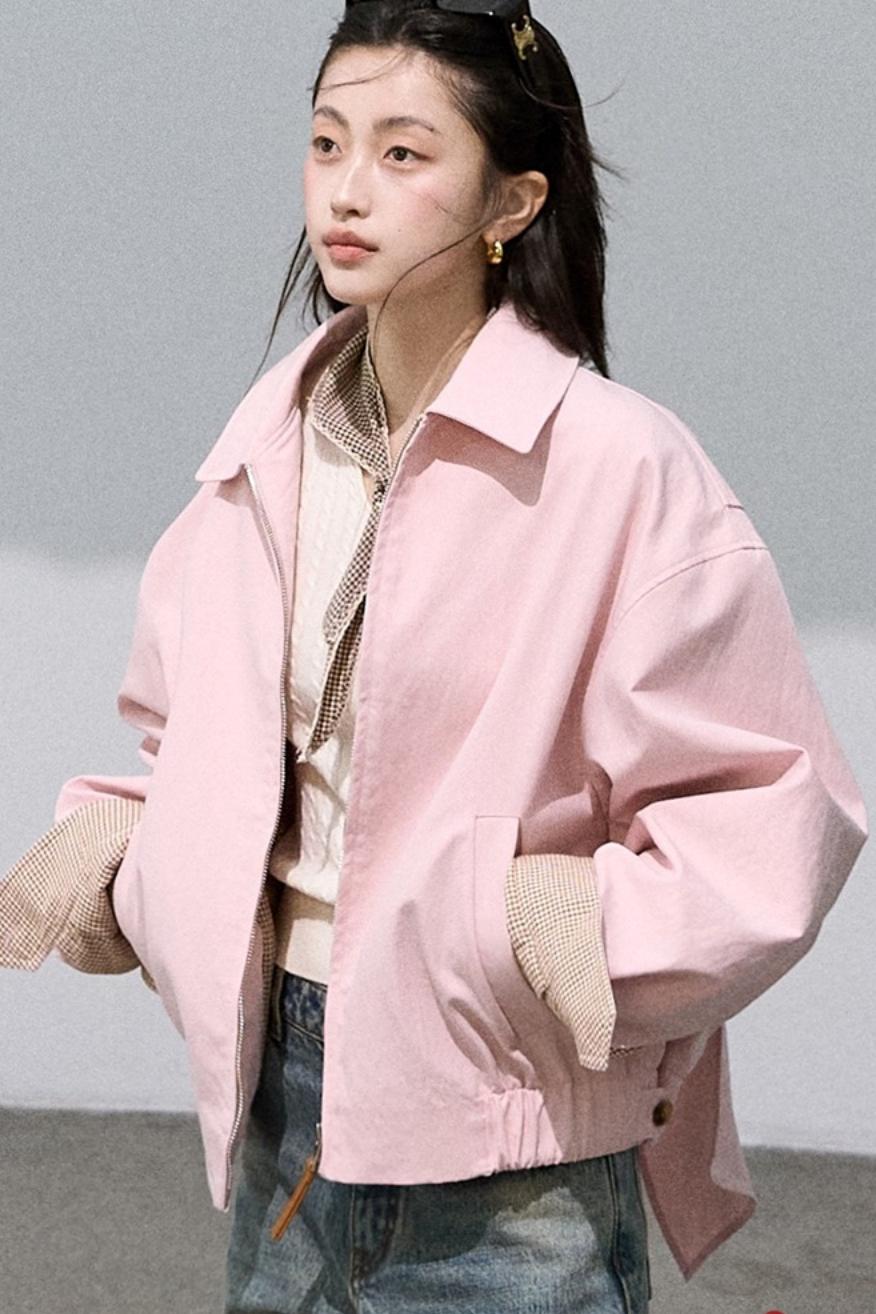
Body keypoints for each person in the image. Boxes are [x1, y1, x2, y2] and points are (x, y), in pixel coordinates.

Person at [0, 3, 867, 1312]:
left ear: (513, 201)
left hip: (511, 1153)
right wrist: (139, 848)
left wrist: (542, 930)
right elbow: (205, 740)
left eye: (404, 153)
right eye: (327, 142)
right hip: (283, 1103)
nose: (347, 190)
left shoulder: (620, 468)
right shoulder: (264, 455)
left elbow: (775, 810)